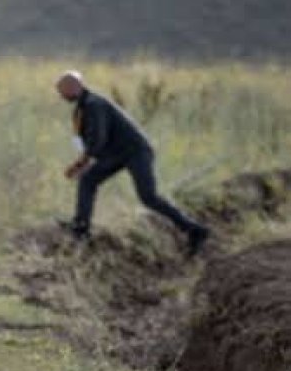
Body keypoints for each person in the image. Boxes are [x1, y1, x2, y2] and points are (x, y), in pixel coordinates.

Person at [55, 70, 210, 255]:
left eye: (62, 90)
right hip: (116, 154)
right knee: (88, 180)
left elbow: (98, 139)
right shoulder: (82, 107)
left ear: (75, 87)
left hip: (136, 152)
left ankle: (195, 230)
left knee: (148, 197)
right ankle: (81, 228)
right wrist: (84, 162)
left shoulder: (94, 105)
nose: (60, 95)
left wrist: (80, 164)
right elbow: (89, 141)